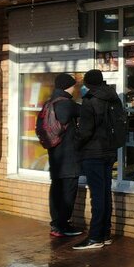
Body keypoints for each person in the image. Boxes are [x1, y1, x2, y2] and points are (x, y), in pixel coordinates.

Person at [72, 69, 121, 250]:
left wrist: (76, 144)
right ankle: (105, 234)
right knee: (105, 193)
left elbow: (85, 131)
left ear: (88, 83)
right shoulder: (113, 97)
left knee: (97, 197)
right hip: (109, 152)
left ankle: (95, 237)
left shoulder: (90, 101)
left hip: (93, 153)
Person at [47, 74, 82, 239]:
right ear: (67, 87)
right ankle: (62, 226)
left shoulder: (50, 102)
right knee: (68, 190)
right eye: (73, 86)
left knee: (56, 189)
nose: (75, 89)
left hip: (55, 155)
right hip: (68, 155)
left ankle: (56, 224)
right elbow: (86, 112)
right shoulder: (67, 104)